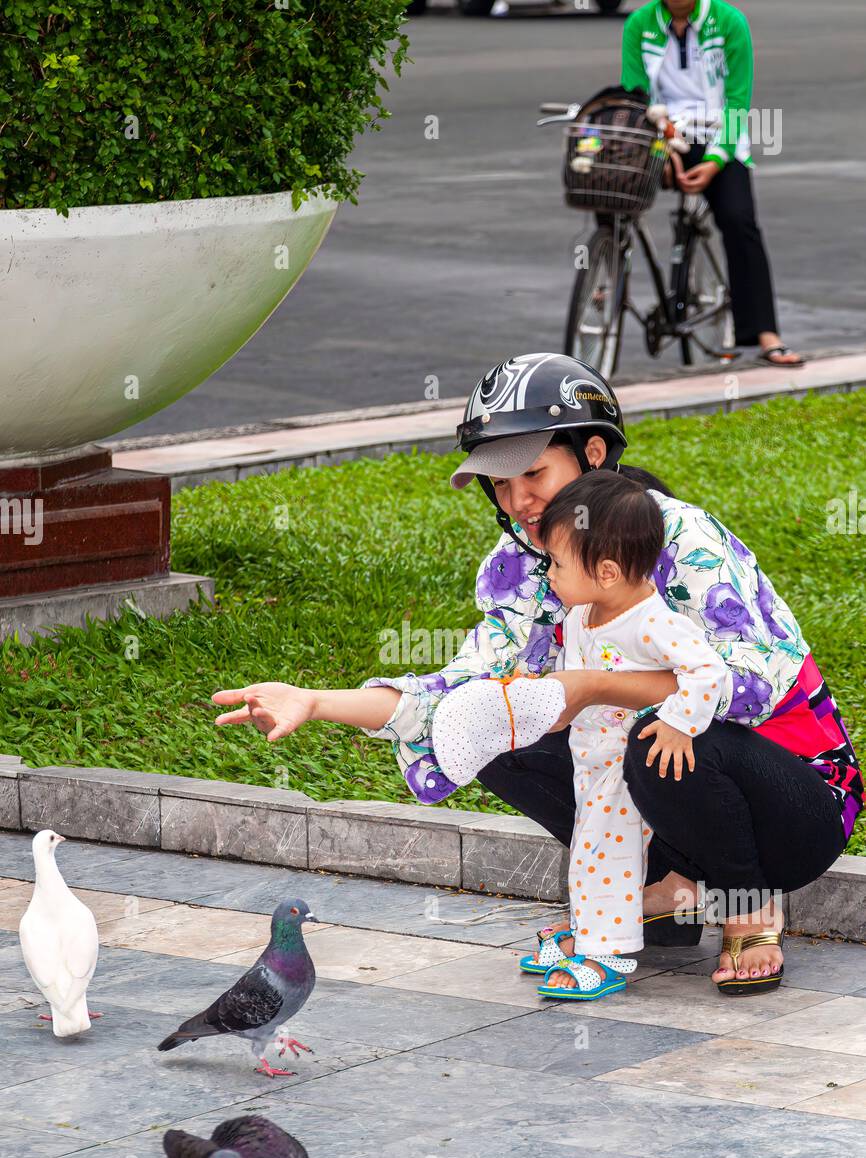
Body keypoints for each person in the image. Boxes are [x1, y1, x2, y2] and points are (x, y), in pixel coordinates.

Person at [212, 353, 862, 994]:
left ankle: (748, 905)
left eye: (533, 473)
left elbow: (755, 682)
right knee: (487, 720)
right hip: (668, 788)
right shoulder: (522, 563)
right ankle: (663, 892)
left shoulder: (683, 539)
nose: (518, 500)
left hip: (796, 801)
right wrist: (314, 701)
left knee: (661, 731)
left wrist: (597, 688)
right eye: (500, 484)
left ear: (595, 456)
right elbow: (463, 688)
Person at [430, 469, 733, 1001]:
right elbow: (576, 685)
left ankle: (605, 954)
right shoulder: (588, 612)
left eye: (558, 564)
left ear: (608, 570)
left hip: (625, 768)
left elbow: (709, 672)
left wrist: (678, 725)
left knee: (602, 853)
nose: (548, 574)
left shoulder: (650, 622)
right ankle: (599, 931)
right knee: (590, 851)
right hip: (592, 762)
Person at [621, 0, 803, 366]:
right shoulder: (639, 24)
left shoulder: (730, 22)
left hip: (719, 136)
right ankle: (604, 286)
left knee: (739, 220)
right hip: (662, 136)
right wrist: (662, 150)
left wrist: (716, 160)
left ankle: (766, 333)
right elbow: (634, 97)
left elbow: (737, 102)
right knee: (612, 186)